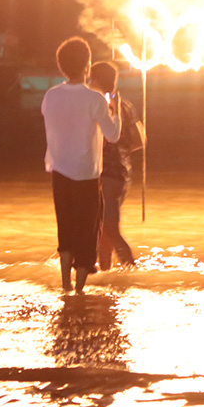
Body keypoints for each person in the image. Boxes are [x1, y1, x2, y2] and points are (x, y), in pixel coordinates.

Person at [41, 37, 121, 293]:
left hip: (59, 170)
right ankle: (79, 290)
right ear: (87, 65)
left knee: (65, 228)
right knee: (87, 231)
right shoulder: (95, 99)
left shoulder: (50, 96)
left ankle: (66, 284)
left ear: (61, 66)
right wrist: (115, 109)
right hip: (86, 174)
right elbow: (113, 136)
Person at [88, 61, 143, 271]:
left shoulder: (98, 105)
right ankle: (106, 276)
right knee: (104, 230)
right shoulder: (125, 104)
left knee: (109, 229)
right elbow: (140, 140)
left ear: (94, 80)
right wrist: (121, 151)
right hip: (122, 174)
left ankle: (132, 272)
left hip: (106, 175)